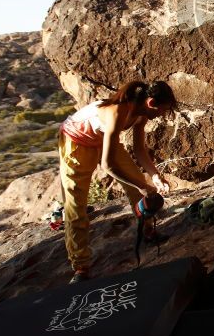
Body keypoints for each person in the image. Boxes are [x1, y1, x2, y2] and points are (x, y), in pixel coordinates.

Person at [58, 81, 176, 283]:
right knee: (76, 206)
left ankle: (148, 231)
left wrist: (154, 176)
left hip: (102, 139)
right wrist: (143, 186)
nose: (163, 115)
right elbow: (108, 165)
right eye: (163, 110)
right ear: (151, 102)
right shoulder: (116, 112)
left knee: (138, 185)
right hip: (76, 142)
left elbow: (140, 150)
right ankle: (81, 267)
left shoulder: (142, 114)